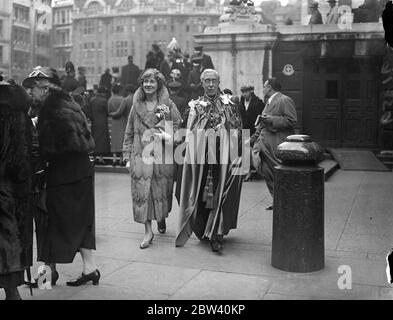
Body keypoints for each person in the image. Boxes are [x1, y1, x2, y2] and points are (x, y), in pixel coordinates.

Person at [22, 66, 100, 288]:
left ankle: (48, 276)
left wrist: (36, 135)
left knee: (48, 222)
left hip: (62, 175)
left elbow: (57, 145)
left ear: (45, 88)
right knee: (82, 222)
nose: (29, 93)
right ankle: (90, 269)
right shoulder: (69, 102)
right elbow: (84, 138)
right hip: (80, 172)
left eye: (33, 89)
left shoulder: (50, 108)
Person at [175, 69, 244, 253]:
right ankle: (203, 227)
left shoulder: (229, 104)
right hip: (202, 158)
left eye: (214, 80)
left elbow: (238, 130)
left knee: (222, 195)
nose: (211, 84)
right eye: (207, 81)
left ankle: (216, 234)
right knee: (201, 195)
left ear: (219, 81)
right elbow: (186, 133)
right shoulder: (194, 106)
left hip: (224, 159)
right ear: (202, 82)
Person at [122, 69, 182, 248]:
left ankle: (160, 217)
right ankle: (148, 231)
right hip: (140, 157)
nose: (148, 84)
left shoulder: (168, 105)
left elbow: (179, 130)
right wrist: (127, 157)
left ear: (159, 84)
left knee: (160, 193)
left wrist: (168, 135)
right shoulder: (136, 106)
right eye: (145, 81)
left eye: (152, 81)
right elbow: (129, 133)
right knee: (143, 193)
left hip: (162, 158)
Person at [0, 75, 33, 300]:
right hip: (12, 183)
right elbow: (24, 149)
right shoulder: (18, 103)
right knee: (9, 234)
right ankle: (12, 291)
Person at [250, 78, 297, 210]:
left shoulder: (284, 100)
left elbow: (292, 120)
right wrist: (253, 139)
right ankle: (277, 199)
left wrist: (271, 119)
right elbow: (262, 123)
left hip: (277, 143)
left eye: (264, 86)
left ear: (269, 87)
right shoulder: (268, 102)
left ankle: (284, 201)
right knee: (265, 171)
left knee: (278, 173)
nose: (263, 89)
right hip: (263, 144)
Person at [239, 85, 265, 181]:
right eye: (243, 92)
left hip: (255, 131)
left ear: (251, 92)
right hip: (244, 131)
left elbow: (261, 117)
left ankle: (258, 171)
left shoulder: (258, 103)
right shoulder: (240, 103)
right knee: (245, 151)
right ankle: (247, 173)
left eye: (246, 92)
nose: (244, 94)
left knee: (255, 152)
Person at [85, 86, 111, 165]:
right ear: (102, 93)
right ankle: (100, 159)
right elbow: (107, 112)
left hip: (94, 122)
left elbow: (87, 109)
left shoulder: (92, 100)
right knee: (102, 140)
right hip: (102, 122)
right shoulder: (104, 101)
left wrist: (91, 117)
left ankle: (95, 158)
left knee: (95, 139)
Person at [108, 83, 126, 166]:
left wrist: (112, 114)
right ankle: (121, 160)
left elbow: (108, 111)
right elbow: (123, 111)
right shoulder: (123, 99)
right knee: (121, 141)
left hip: (114, 122)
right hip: (122, 121)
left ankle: (114, 160)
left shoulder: (110, 100)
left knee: (114, 141)